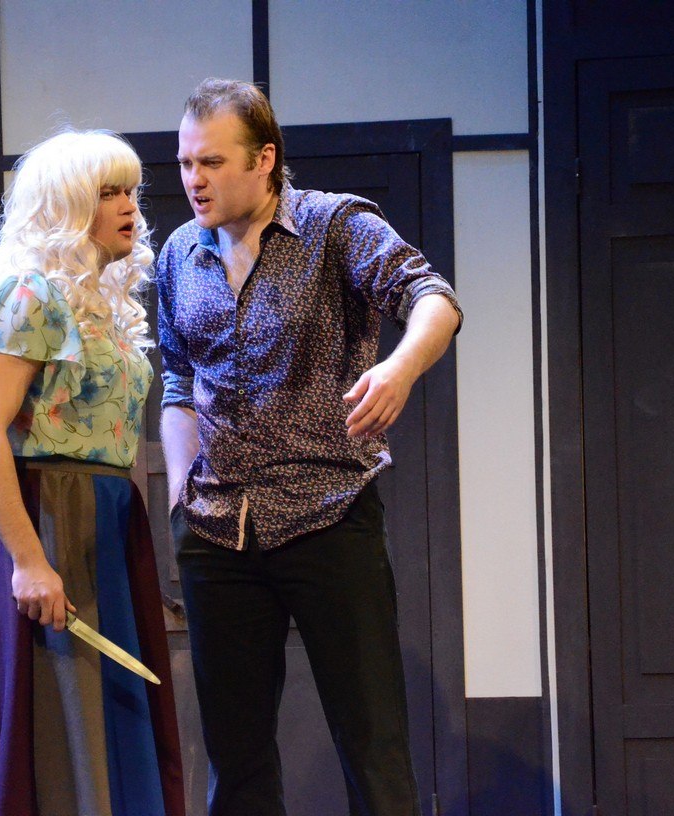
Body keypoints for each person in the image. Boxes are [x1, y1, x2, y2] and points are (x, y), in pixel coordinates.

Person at [156, 79, 463, 816]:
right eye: (186, 162)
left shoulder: (333, 225)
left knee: (371, 744)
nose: (194, 180)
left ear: (264, 159)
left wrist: (398, 368)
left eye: (212, 162)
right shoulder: (179, 253)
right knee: (235, 760)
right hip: (218, 530)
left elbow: (434, 298)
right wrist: (178, 494)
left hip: (328, 513)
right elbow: (177, 378)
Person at [0, 130, 183, 816]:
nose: (130, 206)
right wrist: (28, 560)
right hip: (44, 515)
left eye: (131, 191)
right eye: (108, 193)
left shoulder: (102, 304)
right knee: (54, 722)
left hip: (104, 519)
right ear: (67, 205)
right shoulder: (29, 294)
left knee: (107, 720)